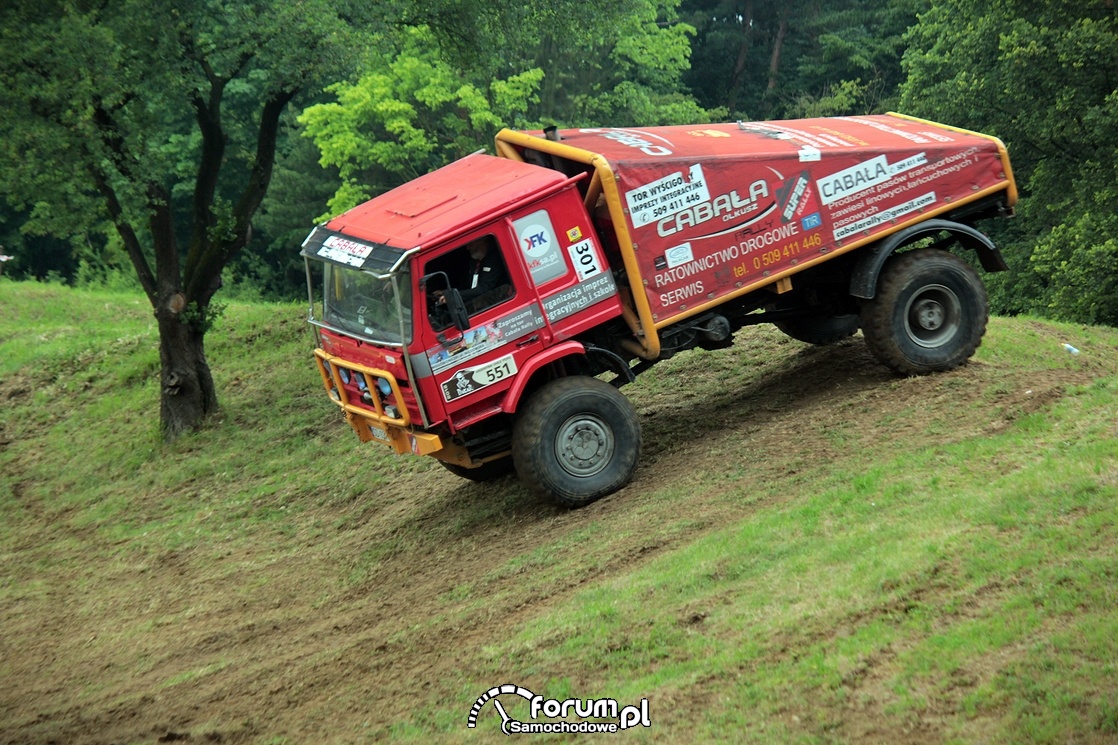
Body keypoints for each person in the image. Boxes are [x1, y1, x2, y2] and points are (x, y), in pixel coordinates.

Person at [436, 238, 509, 308]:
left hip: (498, 303)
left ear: (481, 243)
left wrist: (452, 296)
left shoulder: (494, 259)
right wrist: (446, 292)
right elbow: (469, 286)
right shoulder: (474, 262)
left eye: (470, 244)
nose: (467, 248)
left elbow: (483, 289)